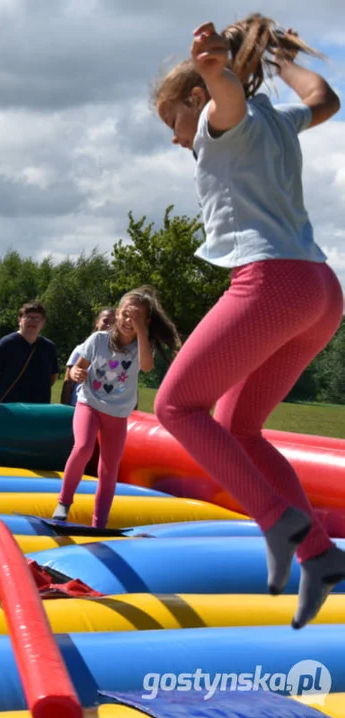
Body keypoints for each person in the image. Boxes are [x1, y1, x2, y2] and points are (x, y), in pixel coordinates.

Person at [152, 16, 343, 630]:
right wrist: (284, 57)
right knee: (242, 427)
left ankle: (281, 522)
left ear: (194, 102)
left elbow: (225, 95)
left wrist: (212, 67)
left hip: (271, 285)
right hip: (320, 290)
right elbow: (324, 99)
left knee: (176, 409)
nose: (176, 140)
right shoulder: (278, 120)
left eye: (171, 123)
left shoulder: (221, 117)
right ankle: (319, 556)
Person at [52, 288, 180, 528]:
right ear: (117, 314)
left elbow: (147, 366)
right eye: (124, 315)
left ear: (146, 321)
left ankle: (99, 522)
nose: (128, 321)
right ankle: (63, 503)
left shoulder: (141, 346)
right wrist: (77, 372)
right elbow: (78, 368)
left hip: (118, 412)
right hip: (89, 402)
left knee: (109, 469)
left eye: (135, 317)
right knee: (82, 447)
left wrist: (142, 330)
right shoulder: (98, 339)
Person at [0, 302, 58, 404]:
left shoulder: (49, 347)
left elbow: (52, 377)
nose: (32, 321)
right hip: (10, 407)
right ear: (19, 320)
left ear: (43, 322)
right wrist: (2, 394)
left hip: (40, 407)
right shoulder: (6, 343)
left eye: (36, 318)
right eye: (28, 317)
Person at [61, 308, 116, 407]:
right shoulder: (81, 349)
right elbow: (68, 382)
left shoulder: (123, 353)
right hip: (80, 405)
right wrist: (64, 409)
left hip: (108, 408)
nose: (109, 326)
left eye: (114, 323)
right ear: (97, 323)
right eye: (106, 321)